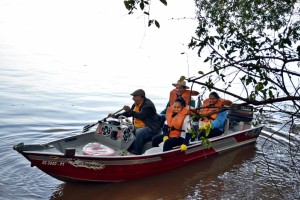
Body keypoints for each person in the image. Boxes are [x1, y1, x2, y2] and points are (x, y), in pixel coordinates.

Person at [108, 89, 161, 155]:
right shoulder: (136, 104)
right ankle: (125, 149)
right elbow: (128, 114)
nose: (133, 98)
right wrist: (116, 116)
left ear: (140, 97)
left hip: (151, 128)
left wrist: (129, 111)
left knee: (139, 132)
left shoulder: (148, 106)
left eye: (134, 96)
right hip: (137, 127)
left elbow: (141, 116)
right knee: (125, 129)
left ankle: (136, 152)